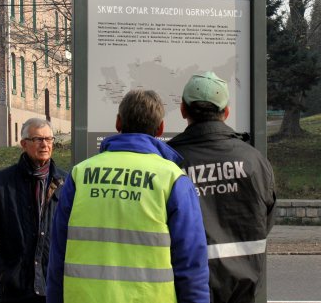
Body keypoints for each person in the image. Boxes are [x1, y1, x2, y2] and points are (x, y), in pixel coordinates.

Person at [46, 89, 209, 303]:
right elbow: (191, 266)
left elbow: (57, 255)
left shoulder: (80, 175)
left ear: (118, 123)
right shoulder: (172, 180)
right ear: (160, 128)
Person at [167, 72, 276, 303]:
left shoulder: (171, 162)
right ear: (226, 112)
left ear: (183, 110)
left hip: (187, 290)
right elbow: (266, 219)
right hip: (245, 290)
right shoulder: (253, 160)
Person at [0, 118, 67, 303]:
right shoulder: (0, 183)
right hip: (16, 291)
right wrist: (3, 273)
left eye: (49, 139)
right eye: (38, 139)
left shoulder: (66, 183)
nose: (45, 145)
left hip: (55, 289)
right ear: (24, 144)